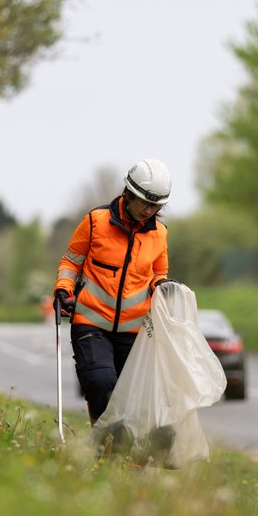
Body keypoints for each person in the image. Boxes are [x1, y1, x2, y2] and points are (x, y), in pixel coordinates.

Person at [54, 159, 171, 423]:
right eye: (145, 202)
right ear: (128, 193)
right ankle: (103, 441)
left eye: (156, 206)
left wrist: (163, 287)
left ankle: (125, 453)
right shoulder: (95, 222)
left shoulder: (160, 234)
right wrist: (63, 288)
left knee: (132, 397)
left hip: (134, 331)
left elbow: (158, 275)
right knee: (100, 382)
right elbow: (72, 261)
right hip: (91, 322)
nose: (149, 210)